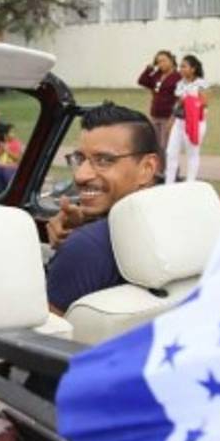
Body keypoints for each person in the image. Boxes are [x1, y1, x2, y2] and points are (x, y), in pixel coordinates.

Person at [45, 103, 163, 315]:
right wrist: (88, 225)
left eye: (104, 160)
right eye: (80, 159)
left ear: (147, 168)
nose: (81, 175)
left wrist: (83, 238)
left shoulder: (85, 249)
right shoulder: (188, 222)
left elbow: (41, 342)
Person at [165, 54, 211, 184]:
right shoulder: (180, 84)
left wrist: (187, 100)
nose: (181, 69)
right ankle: (169, 183)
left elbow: (205, 103)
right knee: (171, 153)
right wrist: (171, 119)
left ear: (193, 68)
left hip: (195, 123)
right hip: (180, 122)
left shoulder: (202, 84)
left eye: (184, 66)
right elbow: (177, 103)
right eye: (180, 66)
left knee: (192, 153)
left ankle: (190, 183)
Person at [137, 50, 180, 151]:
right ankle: (162, 166)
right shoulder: (157, 74)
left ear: (171, 60)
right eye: (158, 62)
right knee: (155, 145)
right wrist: (149, 68)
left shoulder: (177, 77)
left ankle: (170, 167)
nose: (161, 64)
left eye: (164, 61)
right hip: (155, 115)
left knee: (166, 146)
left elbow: (179, 99)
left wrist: (173, 118)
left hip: (168, 116)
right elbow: (142, 81)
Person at [0, 121, 23, 185]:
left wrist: (7, 151)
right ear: (5, 134)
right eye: (11, 132)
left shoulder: (16, 144)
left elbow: (18, 159)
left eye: (14, 132)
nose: (13, 134)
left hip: (11, 167)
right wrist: (1, 150)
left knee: (6, 172)